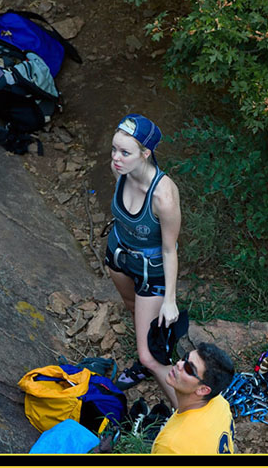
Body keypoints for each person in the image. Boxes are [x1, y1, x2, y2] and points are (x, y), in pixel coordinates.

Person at [105, 113, 182, 408]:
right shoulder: (120, 171)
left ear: (146, 153)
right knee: (132, 307)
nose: (116, 158)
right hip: (118, 256)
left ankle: (186, 416)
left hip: (152, 272)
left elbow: (169, 249)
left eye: (125, 152)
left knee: (149, 355)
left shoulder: (164, 197)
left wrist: (170, 299)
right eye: (114, 149)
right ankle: (151, 347)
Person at [151, 342, 236, 454]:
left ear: (203, 390)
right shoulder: (220, 403)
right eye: (185, 357)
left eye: (189, 369)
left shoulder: (170, 445)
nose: (179, 364)